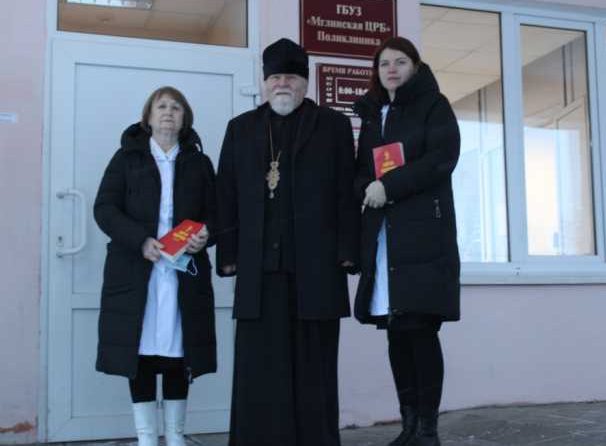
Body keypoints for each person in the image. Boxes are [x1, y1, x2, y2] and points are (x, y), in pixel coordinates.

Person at [216, 37, 360, 446]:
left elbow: (346, 191)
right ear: (264, 83)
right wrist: (228, 254)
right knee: (259, 367)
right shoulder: (241, 128)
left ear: (305, 82)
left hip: (316, 267)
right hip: (259, 269)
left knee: (314, 368)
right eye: (275, 77)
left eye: (291, 78)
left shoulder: (332, 125)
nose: (282, 84)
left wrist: (348, 252)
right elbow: (226, 193)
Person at [94, 86, 217, 446]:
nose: (168, 112)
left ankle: (175, 435)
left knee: (180, 351)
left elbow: (217, 212)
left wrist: (206, 235)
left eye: (176, 107)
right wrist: (140, 240)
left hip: (184, 273)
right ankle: (147, 438)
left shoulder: (199, 163)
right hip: (137, 271)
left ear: (185, 118)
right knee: (141, 350)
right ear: (148, 117)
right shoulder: (126, 159)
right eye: (161, 106)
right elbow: (105, 209)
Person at [353, 37, 461, 446]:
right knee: (396, 332)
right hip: (385, 240)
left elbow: (441, 158)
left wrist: (390, 186)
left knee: (420, 331)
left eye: (400, 62)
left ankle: (428, 430)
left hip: (422, 237)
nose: (392, 69)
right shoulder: (373, 113)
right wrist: (366, 187)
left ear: (415, 66)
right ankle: (409, 426)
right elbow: (362, 169)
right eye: (384, 64)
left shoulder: (434, 106)